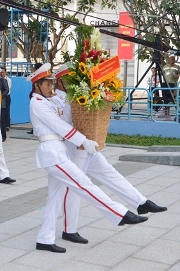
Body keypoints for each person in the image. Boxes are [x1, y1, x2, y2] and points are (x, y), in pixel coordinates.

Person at [29, 63, 148, 253]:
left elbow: (69, 117)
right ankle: (119, 213)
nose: (51, 87)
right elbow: (60, 126)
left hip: (58, 150)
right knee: (84, 184)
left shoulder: (49, 100)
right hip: (52, 153)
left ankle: (44, 238)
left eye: (52, 83)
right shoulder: (37, 103)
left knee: (54, 198)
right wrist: (83, 141)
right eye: (47, 84)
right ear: (37, 85)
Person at [49, 65, 167, 244]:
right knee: (75, 188)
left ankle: (141, 203)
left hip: (87, 146)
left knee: (111, 173)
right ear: (60, 81)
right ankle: (69, 229)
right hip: (74, 148)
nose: (72, 82)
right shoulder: (56, 99)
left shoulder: (71, 96)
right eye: (68, 79)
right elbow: (65, 125)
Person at [27, 63, 43, 135]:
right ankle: (34, 129)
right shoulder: (36, 76)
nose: (33, 69)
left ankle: (35, 129)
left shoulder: (40, 77)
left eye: (34, 68)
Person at [0, 73, 9, 142]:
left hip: (1, 102)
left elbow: (6, 90)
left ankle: (3, 136)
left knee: (2, 121)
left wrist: (0, 96)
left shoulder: (3, 80)